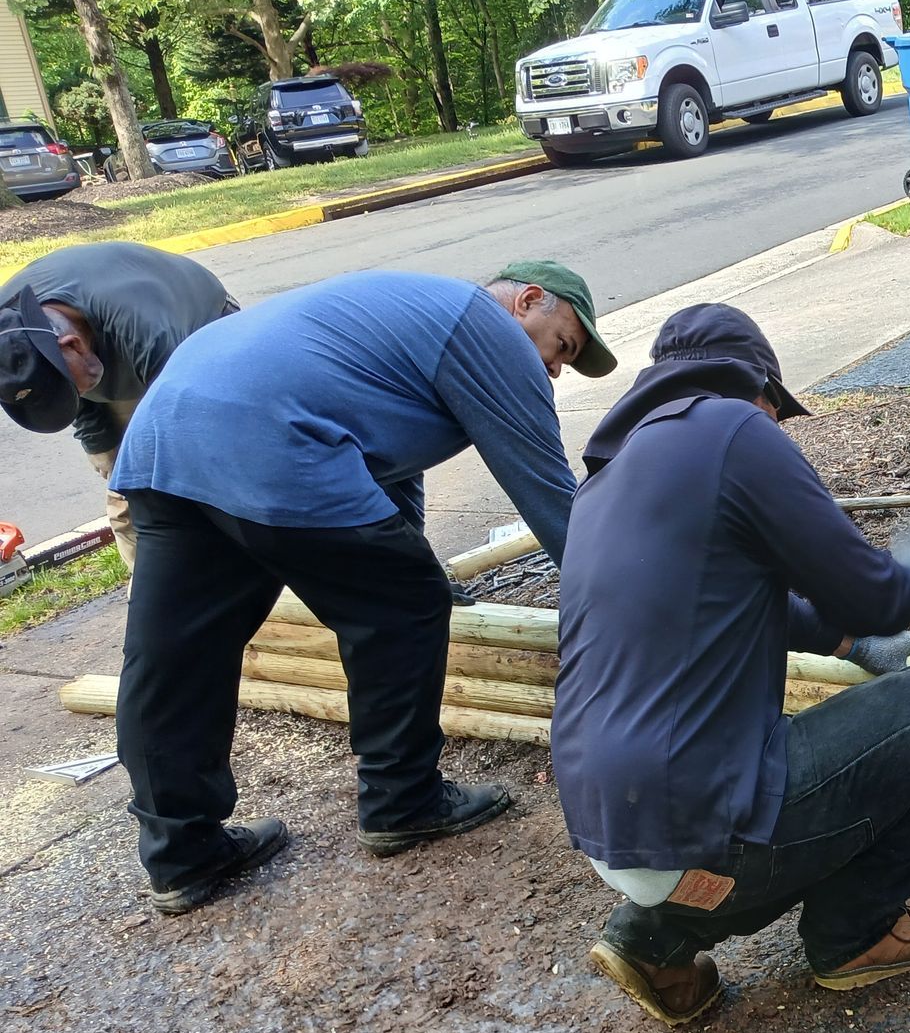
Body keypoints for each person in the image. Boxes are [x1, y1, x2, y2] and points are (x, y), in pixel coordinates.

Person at [552, 304, 910, 1026]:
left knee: (767, 766)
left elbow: (752, 604)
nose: (778, 424)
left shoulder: (611, 478)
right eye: (777, 410)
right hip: (705, 827)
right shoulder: (733, 431)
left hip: (613, 827)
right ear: (758, 389)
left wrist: (852, 645)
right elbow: (875, 593)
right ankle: (855, 934)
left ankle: (655, 936)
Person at [111, 261, 616, 916]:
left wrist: (412, 565)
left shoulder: (409, 318)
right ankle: (402, 800)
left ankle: (181, 855)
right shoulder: (486, 330)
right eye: (562, 348)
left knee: (175, 656)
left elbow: (386, 472)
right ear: (526, 303)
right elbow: (551, 501)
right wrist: (627, 607)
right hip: (269, 441)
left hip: (166, 434)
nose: (551, 370)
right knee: (404, 608)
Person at [0, 241, 238, 568]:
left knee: (215, 474)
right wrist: (99, 442)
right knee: (127, 496)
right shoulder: (10, 329)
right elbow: (52, 374)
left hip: (202, 331)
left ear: (72, 345)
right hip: (105, 355)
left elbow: (188, 434)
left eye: (70, 391)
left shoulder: (147, 330)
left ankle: (241, 568)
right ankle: (152, 593)